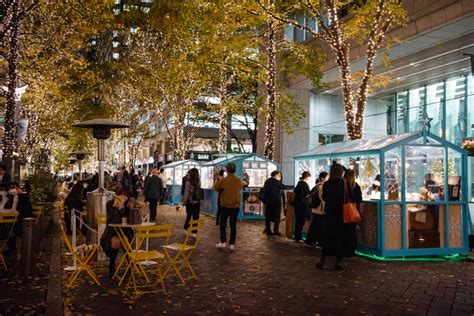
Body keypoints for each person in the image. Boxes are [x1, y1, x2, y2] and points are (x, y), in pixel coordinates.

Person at [317, 164, 358, 271]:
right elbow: (352, 197)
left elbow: (324, 197)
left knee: (327, 238)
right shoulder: (345, 184)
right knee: (340, 239)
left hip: (329, 215)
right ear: (341, 172)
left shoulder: (326, 184)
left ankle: (322, 261)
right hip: (341, 215)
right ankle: (338, 263)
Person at [100, 186, 134, 278]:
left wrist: (128, 208)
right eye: (122, 195)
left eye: (126, 196)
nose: (123, 198)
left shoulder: (128, 206)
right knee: (116, 242)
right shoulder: (110, 204)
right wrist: (119, 209)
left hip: (125, 231)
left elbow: (131, 221)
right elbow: (111, 221)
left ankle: (131, 266)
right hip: (112, 231)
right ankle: (112, 267)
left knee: (125, 241)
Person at [213, 163, 244, 250]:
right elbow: (241, 187)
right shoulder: (238, 180)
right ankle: (232, 244)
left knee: (222, 224)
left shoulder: (224, 180)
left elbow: (215, 187)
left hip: (225, 206)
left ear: (227, 169)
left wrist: (218, 180)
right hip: (235, 206)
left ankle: (223, 242)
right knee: (233, 225)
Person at [3, 182, 33, 257]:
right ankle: (12, 248)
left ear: (18, 187)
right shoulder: (10, 196)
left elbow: (26, 208)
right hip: (13, 218)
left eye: (13, 187)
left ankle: (23, 251)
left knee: (13, 232)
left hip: (22, 218)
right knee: (8, 230)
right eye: (10, 188)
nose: (12, 189)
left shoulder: (23, 194)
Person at [261, 171, 293, 236]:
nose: (280, 177)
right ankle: (276, 231)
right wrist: (293, 186)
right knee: (276, 217)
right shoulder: (277, 182)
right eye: (279, 175)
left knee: (268, 217)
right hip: (276, 202)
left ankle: (268, 230)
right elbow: (285, 187)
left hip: (268, 202)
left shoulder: (267, 181)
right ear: (276, 175)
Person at [305, 172, 329, 246]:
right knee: (318, 227)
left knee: (314, 226)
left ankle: (310, 240)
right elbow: (322, 198)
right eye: (327, 178)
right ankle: (317, 241)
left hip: (316, 208)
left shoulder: (317, 185)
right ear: (322, 178)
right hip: (320, 209)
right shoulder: (321, 186)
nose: (328, 179)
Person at [179, 168, 202, 236]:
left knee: (189, 216)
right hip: (197, 202)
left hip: (190, 202)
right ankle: (194, 232)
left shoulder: (188, 182)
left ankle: (186, 229)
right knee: (196, 217)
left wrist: (183, 202)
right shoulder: (198, 181)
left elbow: (186, 194)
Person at [293, 171, 311, 242]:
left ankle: (297, 237)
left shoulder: (299, 184)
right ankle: (298, 237)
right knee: (301, 222)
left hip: (297, 205)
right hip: (302, 206)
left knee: (298, 222)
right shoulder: (304, 185)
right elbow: (305, 196)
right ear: (307, 177)